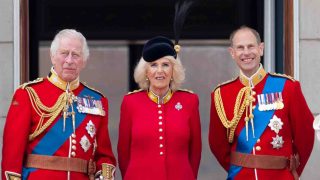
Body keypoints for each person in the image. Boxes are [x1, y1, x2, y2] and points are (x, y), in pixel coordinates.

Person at [2, 29, 116, 180]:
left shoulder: (97, 100)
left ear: (84, 61)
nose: (69, 60)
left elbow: (105, 156)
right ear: (52, 56)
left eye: (75, 55)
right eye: (64, 53)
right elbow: (12, 155)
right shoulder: (28, 94)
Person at [209, 26, 314, 180]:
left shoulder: (288, 87)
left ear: (261, 48)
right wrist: (240, 167)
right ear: (232, 53)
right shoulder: (221, 94)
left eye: (251, 46)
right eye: (240, 48)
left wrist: (292, 170)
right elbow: (217, 144)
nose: (246, 53)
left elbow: (306, 135)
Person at [117, 36, 202, 180]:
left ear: (173, 70)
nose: (160, 71)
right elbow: (123, 153)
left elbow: (195, 151)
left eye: (165, 64)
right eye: (154, 65)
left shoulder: (189, 101)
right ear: (145, 72)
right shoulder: (130, 102)